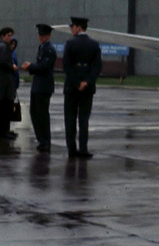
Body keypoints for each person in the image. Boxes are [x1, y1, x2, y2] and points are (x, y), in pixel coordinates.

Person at [63, 16, 101, 159]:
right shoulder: (94, 45)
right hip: (87, 88)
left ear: (78, 27)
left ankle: (72, 150)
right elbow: (97, 67)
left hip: (72, 88)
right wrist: (87, 82)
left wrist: (76, 82)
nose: (71, 29)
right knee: (84, 120)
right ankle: (83, 149)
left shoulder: (70, 44)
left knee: (70, 119)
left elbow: (66, 66)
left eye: (72, 27)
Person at [21, 24, 56, 152]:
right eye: (39, 35)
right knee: (35, 113)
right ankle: (41, 139)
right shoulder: (42, 47)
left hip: (44, 86)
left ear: (48, 36)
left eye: (43, 35)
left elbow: (44, 66)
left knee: (42, 114)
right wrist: (31, 67)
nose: (40, 37)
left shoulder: (49, 49)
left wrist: (31, 66)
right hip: (38, 85)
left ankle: (45, 141)